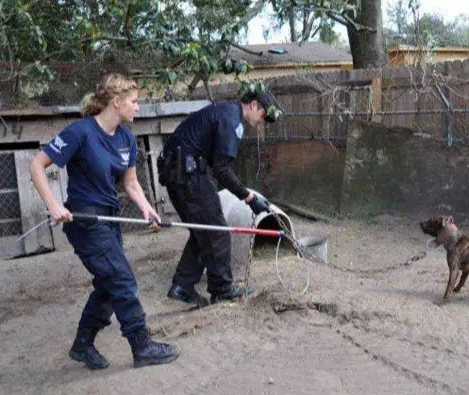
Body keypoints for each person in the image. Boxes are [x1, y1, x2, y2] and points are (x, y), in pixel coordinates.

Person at [29, 73, 179, 370]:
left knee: (109, 283)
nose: (138, 108)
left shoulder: (126, 138)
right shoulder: (80, 133)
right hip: (84, 219)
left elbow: (131, 183)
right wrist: (54, 204)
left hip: (109, 217)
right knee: (122, 279)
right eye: (134, 102)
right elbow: (37, 164)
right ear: (116, 102)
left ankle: (82, 344)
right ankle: (142, 345)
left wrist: (148, 209)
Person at [158, 86, 282, 307]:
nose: (262, 120)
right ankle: (222, 289)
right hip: (188, 175)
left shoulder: (225, 112)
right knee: (218, 231)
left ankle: (182, 286)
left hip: (177, 174)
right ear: (254, 105)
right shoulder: (231, 120)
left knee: (203, 231)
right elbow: (222, 169)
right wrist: (249, 198)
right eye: (263, 115)